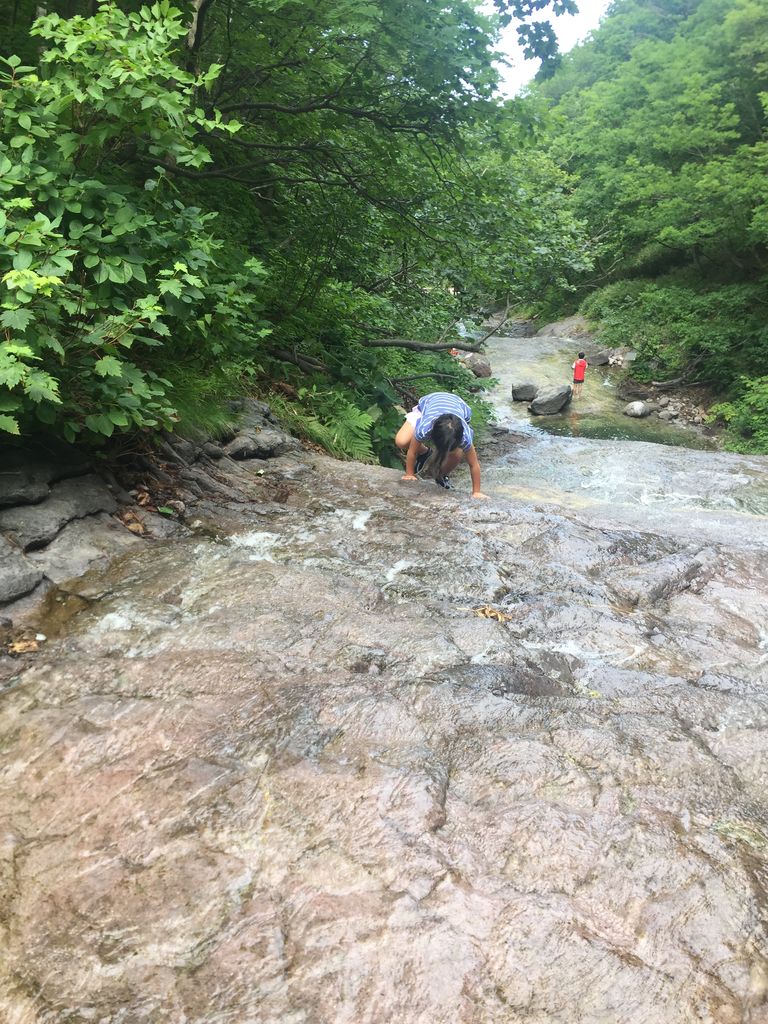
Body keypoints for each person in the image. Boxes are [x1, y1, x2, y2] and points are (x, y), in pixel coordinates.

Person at [395, 392, 489, 499]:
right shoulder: (425, 427)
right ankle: (425, 453)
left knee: (456, 454)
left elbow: (474, 464)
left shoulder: (465, 436)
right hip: (428, 403)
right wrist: (409, 474)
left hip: (459, 406)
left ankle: (442, 475)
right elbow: (412, 451)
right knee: (402, 441)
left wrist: (476, 492)